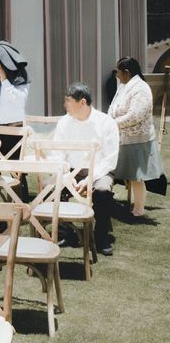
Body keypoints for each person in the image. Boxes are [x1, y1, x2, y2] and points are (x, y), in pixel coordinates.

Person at [54, 83, 119, 256]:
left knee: (103, 190)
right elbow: (58, 153)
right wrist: (67, 175)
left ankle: (101, 236)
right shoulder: (63, 122)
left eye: (68, 101)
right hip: (71, 170)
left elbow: (110, 159)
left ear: (83, 102)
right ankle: (66, 232)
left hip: (99, 171)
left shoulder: (106, 122)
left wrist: (90, 177)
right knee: (51, 186)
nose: (65, 105)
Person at [108, 57, 164, 218]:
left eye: (118, 72)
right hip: (120, 137)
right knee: (120, 173)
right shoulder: (123, 85)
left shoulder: (141, 88)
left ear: (127, 72)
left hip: (137, 140)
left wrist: (113, 123)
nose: (116, 75)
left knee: (137, 177)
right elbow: (113, 106)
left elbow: (135, 115)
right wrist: (108, 120)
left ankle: (139, 209)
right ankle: (109, 201)